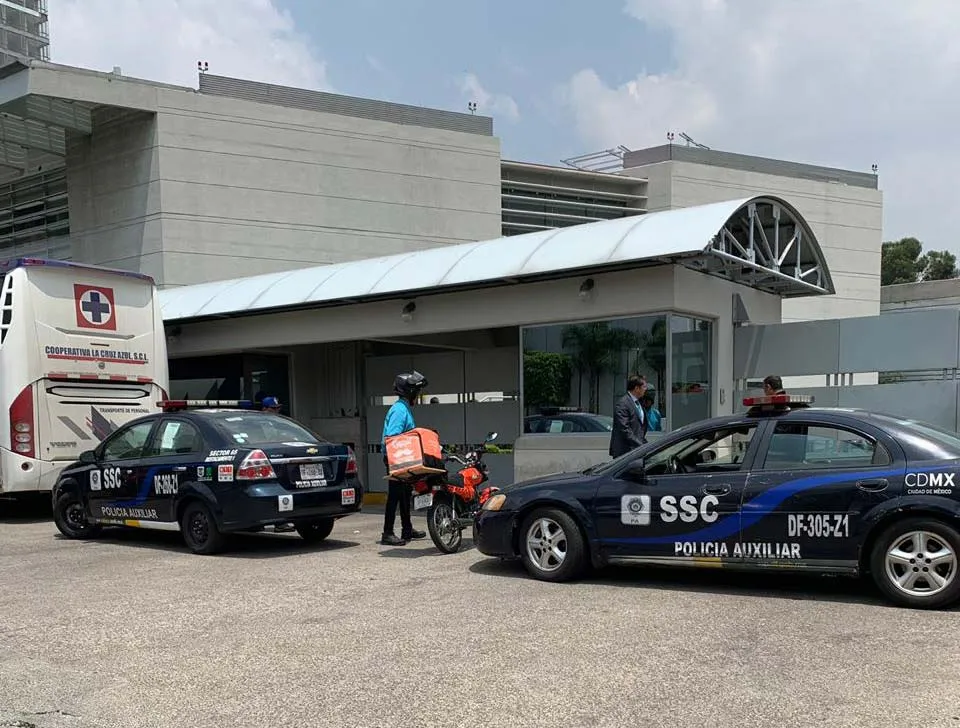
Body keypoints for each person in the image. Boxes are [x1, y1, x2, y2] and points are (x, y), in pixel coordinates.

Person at [381, 371, 428, 546]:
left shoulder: (403, 408)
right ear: (410, 392)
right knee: (395, 495)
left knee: (405, 494)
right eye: (417, 392)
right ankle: (387, 533)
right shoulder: (399, 410)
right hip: (395, 458)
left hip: (402, 457)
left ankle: (407, 529)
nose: (418, 395)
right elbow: (393, 436)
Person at [609, 374, 648, 458]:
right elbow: (624, 429)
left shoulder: (639, 403)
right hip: (625, 452)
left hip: (636, 450)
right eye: (644, 387)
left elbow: (639, 428)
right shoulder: (623, 404)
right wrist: (640, 444)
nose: (646, 389)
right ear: (636, 388)